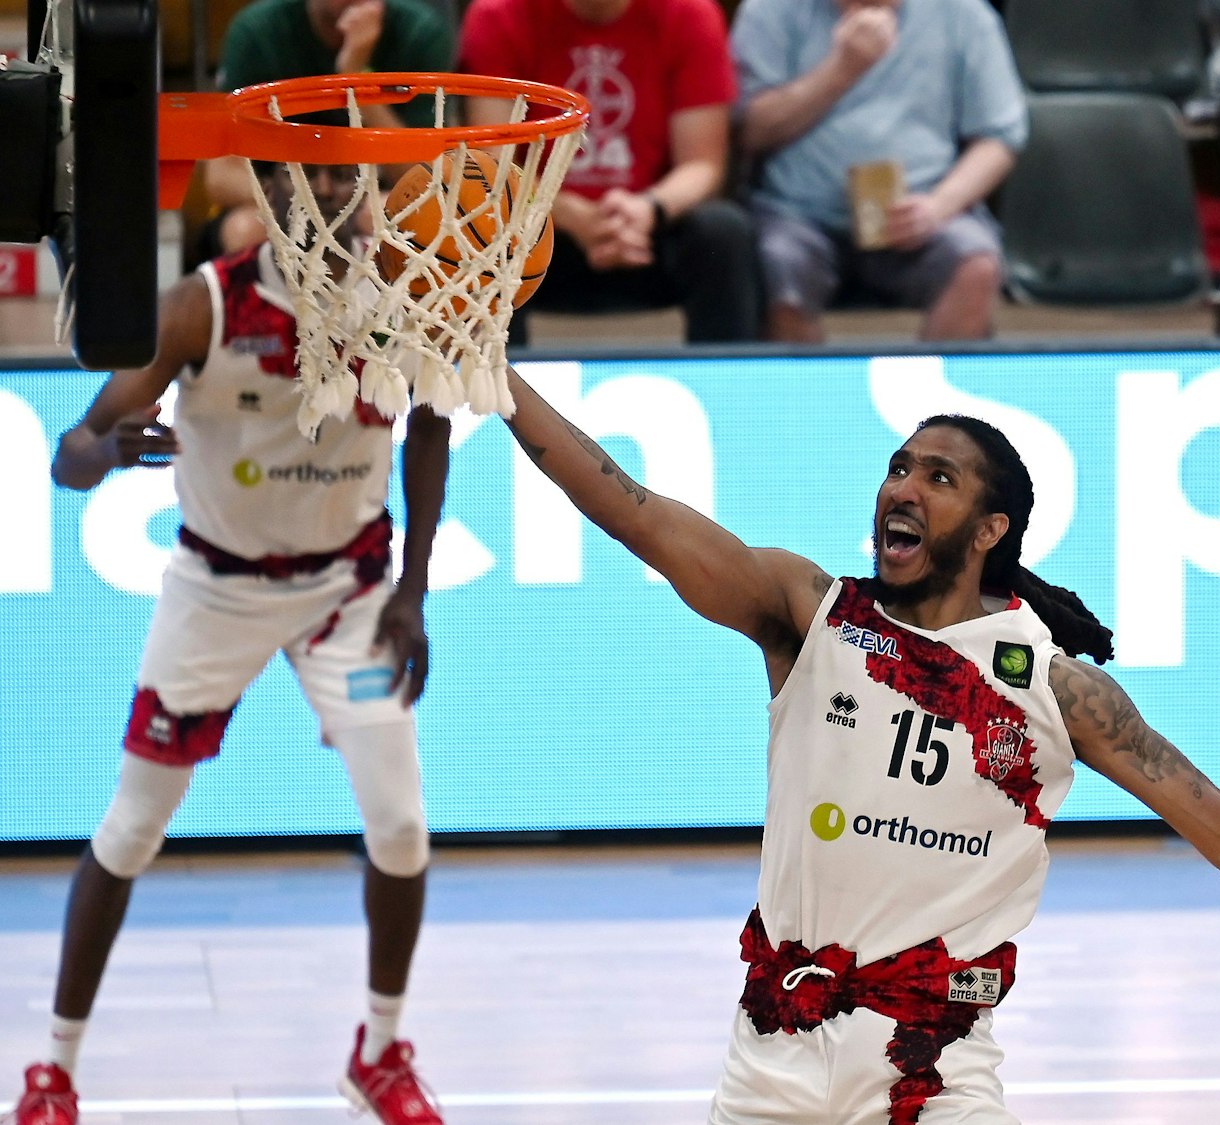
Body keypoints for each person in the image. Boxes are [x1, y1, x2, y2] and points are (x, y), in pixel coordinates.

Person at [497, 374, 1220, 1121]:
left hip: (934, 1066)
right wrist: (491, 379)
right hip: (775, 1055)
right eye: (899, 467)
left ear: (990, 530)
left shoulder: (1052, 685)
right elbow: (637, 511)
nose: (902, 489)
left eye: (938, 478)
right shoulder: (810, 613)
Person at [8, 163, 452, 1125]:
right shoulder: (203, 306)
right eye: (314, 173)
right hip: (216, 591)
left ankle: (378, 1052)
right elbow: (69, 455)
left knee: (404, 827)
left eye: (349, 174)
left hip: (349, 593)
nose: (335, 188)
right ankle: (52, 1069)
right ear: (276, 190)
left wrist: (414, 587)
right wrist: (110, 450)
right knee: (131, 828)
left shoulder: (402, 297)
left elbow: (430, 430)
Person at [457, 0, 763, 344]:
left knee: (724, 232)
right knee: (490, 231)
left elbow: (703, 164)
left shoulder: (690, 14)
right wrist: (574, 216)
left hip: (646, 230)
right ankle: (499, 391)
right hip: (543, 228)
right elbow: (494, 164)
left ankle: (728, 386)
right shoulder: (498, 16)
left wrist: (649, 208)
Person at [730, 0, 1027, 343]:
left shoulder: (964, 13)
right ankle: (808, 395)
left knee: (975, 264)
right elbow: (748, 132)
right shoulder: (769, 10)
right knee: (776, 265)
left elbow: (999, 138)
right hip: (797, 212)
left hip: (923, 203)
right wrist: (841, 69)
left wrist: (937, 208)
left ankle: (933, 393)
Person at [202, 0, 455, 258]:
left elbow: (427, 181)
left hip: (369, 198)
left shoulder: (419, 32)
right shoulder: (257, 32)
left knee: (413, 220)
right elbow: (220, 179)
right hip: (281, 198)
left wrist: (356, 80)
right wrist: (306, 202)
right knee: (243, 230)